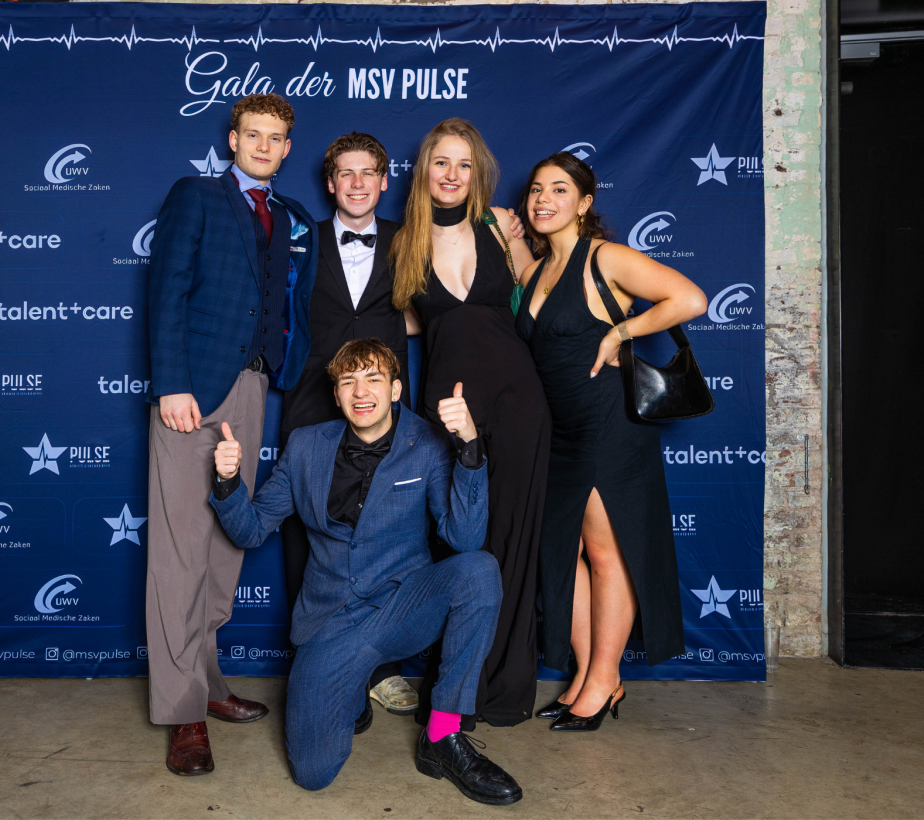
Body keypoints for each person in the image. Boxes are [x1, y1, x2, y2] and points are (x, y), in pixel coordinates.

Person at [210, 338, 522, 805]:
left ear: (395, 390)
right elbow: (250, 531)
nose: (360, 391)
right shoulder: (305, 446)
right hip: (332, 621)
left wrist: (470, 448)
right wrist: (228, 481)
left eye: (373, 379)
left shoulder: (428, 443)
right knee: (313, 773)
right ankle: (351, 688)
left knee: (478, 570)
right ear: (336, 395)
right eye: (348, 381)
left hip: (402, 607)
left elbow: (464, 539)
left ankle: (442, 735)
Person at [145, 93, 318, 775]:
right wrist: (171, 383)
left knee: (225, 546)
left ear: (287, 147)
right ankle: (181, 709)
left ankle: (209, 681)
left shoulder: (290, 215)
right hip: (192, 389)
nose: (264, 146)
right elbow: (166, 291)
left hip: (254, 387)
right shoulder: (196, 195)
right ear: (233, 139)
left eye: (276, 138)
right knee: (180, 554)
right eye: (253, 135)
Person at [514, 151, 707, 731]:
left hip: (607, 426)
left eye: (559, 189)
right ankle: (584, 674)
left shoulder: (606, 258)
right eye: (537, 190)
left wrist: (621, 331)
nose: (545, 199)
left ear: (585, 202)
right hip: (557, 431)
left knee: (605, 554)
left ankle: (604, 680)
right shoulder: (534, 270)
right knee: (563, 552)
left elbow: (690, 299)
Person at [391, 118, 552, 730]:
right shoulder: (403, 242)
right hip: (449, 407)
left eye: (464, 164)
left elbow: (540, 297)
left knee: (513, 535)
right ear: (424, 171)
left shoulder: (501, 227)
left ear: (477, 172)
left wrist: (608, 333)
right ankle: (454, 690)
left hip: (518, 399)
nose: (452, 174)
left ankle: (503, 688)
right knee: (461, 540)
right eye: (441, 162)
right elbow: (405, 320)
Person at [279, 131, 420, 719]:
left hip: (382, 405)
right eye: (346, 173)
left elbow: (448, 301)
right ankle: (320, 665)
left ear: (384, 181)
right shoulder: (299, 241)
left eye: (368, 173)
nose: (357, 183)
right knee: (307, 533)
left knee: (390, 533)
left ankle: (379, 667)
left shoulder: (409, 240)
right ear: (330, 182)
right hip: (314, 399)